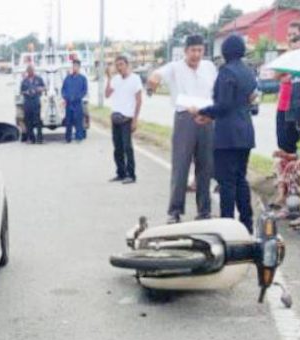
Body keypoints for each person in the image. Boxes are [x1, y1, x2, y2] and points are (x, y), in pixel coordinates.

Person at [147, 34, 217, 224]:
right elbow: (155, 76)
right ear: (185, 51)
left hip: (207, 117)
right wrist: (152, 82)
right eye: (193, 50)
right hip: (185, 118)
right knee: (181, 166)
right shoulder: (175, 67)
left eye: (200, 50)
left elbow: (218, 89)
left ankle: (204, 210)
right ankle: (175, 211)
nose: (196, 54)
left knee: (205, 166)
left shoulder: (209, 67)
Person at [198, 35, 257, 234]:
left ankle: (227, 225)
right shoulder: (248, 71)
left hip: (227, 134)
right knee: (241, 178)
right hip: (246, 131)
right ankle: (247, 223)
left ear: (225, 52)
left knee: (227, 182)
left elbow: (223, 105)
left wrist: (204, 112)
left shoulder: (226, 72)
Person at [105, 55, 143, 184]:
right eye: (117, 65)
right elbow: (107, 94)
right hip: (115, 118)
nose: (119, 67)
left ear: (127, 65)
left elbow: (139, 101)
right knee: (117, 148)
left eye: (121, 64)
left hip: (127, 118)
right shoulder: (115, 79)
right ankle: (120, 173)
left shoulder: (135, 79)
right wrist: (109, 78)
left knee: (128, 147)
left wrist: (135, 120)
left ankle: (131, 175)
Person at [276, 22, 300, 154]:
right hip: (283, 105)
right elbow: (276, 74)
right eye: (289, 35)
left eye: (295, 35)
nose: (291, 38)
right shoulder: (285, 56)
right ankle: (283, 170)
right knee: (282, 141)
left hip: (297, 107)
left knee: (295, 144)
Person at [62, 59, 88, 143]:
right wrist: (65, 97)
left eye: (76, 66)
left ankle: (78, 137)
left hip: (77, 103)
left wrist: (77, 97)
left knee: (78, 121)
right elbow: (63, 90)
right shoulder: (67, 78)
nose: (75, 68)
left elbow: (84, 91)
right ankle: (68, 138)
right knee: (68, 121)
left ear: (79, 67)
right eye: (73, 66)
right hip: (69, 103)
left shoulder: (83, 79)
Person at [21, 65, 46, 144]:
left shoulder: (39, 79)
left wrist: (39, 89)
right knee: (28, 121)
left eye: (31, 70)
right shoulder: (24, 81)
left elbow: (44, 87)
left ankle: (39, 138)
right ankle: (31, 138)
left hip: (36, 101)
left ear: (33, 71)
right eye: (28, 71)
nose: (30, 72)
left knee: (38, 121)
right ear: (27, 72)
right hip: (27, 102)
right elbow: (21, 91)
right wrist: (26, 92)